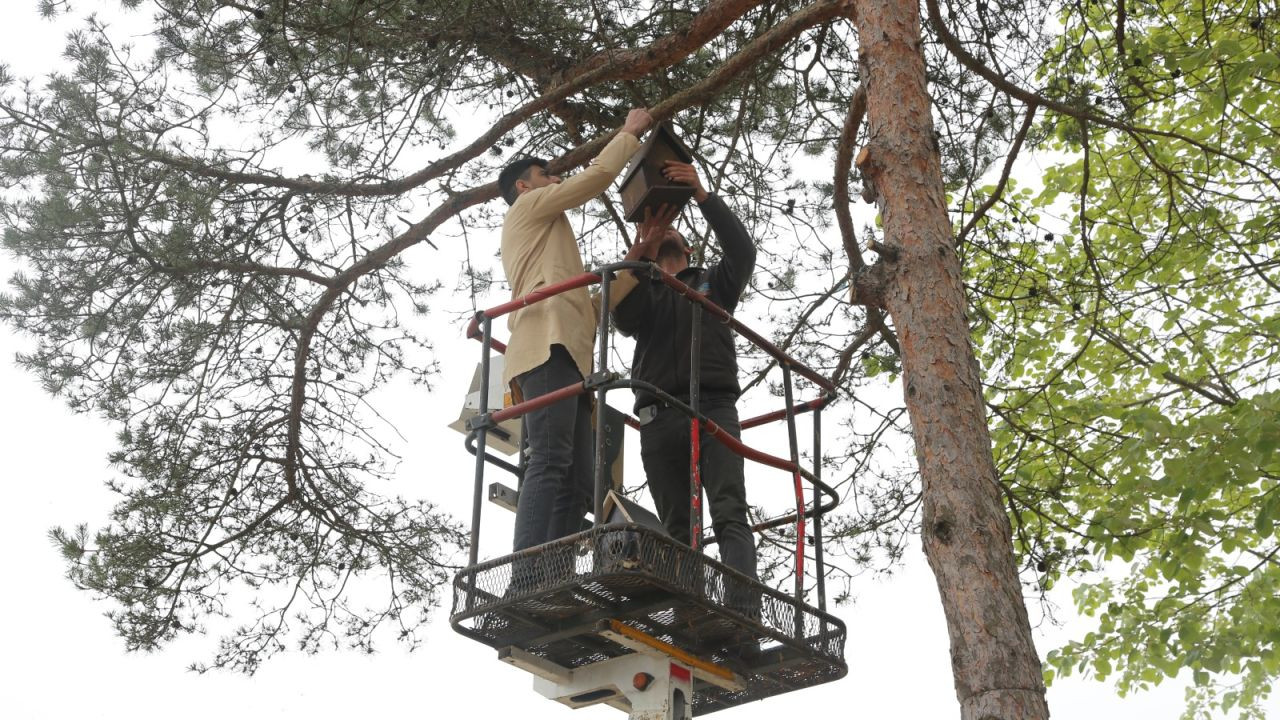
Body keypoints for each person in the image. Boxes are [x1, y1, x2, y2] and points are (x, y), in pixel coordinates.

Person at [496, 107, 652, 555]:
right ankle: (528, 574)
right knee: (547, 460)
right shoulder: (527, 206)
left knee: (579, 479)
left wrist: (637, 255)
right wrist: (627, 135)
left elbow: (590, 308)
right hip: (545, 348)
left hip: (567, 353)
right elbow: (594, 180)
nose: (555, 181)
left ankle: (554, 571)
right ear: (524, 186)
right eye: (546, 175)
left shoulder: (554, 256)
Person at [611, 160, 759, 605]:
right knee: (677, 528)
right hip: (658, 415)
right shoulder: (643, 287)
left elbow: (742, 250)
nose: (666, 232)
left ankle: (742, 613)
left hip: (713, 408)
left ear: (689, 249)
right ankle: (688, 614)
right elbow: (619, 315)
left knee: (729, 512)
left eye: (673, 234)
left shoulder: (714, 282)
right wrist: (639, 252)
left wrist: (701, 193)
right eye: (660, 235)